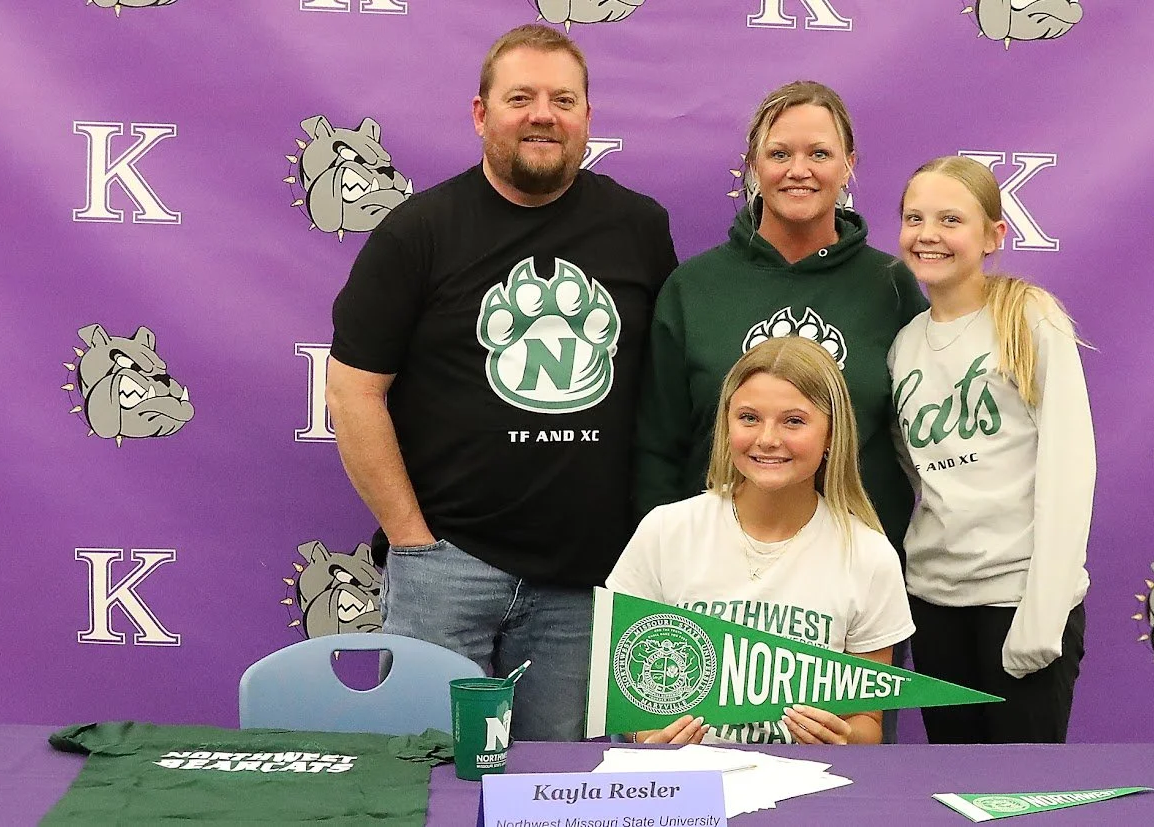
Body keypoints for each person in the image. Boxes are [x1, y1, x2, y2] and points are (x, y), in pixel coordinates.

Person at [325, 24, 677, 742]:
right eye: (521, 98)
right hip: (447, 565)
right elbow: (352, 390)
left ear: (587, 116)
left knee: (561, 785)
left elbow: (665, 389)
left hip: (586, 578)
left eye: (563, 100)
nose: (543, 115)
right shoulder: (416, 233)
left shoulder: (639, 227)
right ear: (481, 113)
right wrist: (413, 541)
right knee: (427, 773)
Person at [633, 80, 926, 556]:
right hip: (715, 569)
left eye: (819, 154)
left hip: (852, 569)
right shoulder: (694, 288)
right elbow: (657, 450)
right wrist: (663, 558)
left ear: (849, 165)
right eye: (779, 154)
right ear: (753, 165)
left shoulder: (891, 287)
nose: (799, 170)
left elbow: (924, 446)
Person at [608, 337, 914, 745]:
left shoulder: (869, 556)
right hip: (686, 783)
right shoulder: (665, 532)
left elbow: (867, 722)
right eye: (749, 418)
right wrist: (651, 737)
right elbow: (626, 705)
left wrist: (843, 742)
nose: (767, 439)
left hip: (808, 781)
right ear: (726, 425)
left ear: (831, 434)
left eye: (794, 421)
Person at [888, 156, 1095, 745]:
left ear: (992, 235)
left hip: (1017, 597)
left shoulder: (1029, 318)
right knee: (955, 780)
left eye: (950, 219)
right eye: (914, 218)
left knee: (1023, 787)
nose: (928, 234)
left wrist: (1045, 608)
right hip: (934, 601)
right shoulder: (905, 344)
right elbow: (919, 475)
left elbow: (1069, 466)